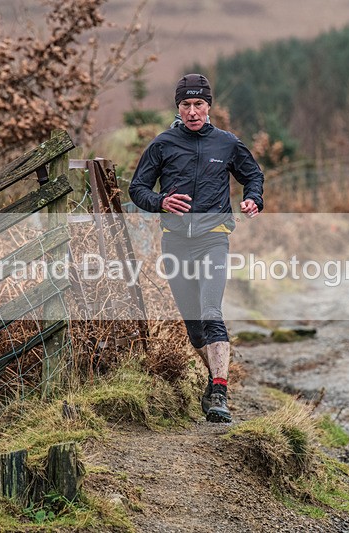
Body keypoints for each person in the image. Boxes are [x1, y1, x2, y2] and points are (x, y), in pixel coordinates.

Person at [129, 73, 264, 423]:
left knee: (211, 312)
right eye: (186, 105)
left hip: (213, 237)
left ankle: (220, 390)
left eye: (198, 104)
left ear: (208, 106)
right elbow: (137, 188)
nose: (192, 111)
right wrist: (160, 201)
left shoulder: (227, 143)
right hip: (174, 242)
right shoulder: (162, 144)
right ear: (178, 107)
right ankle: (213, 380)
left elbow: (253, 175)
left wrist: (253, 199)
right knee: (194, 329)